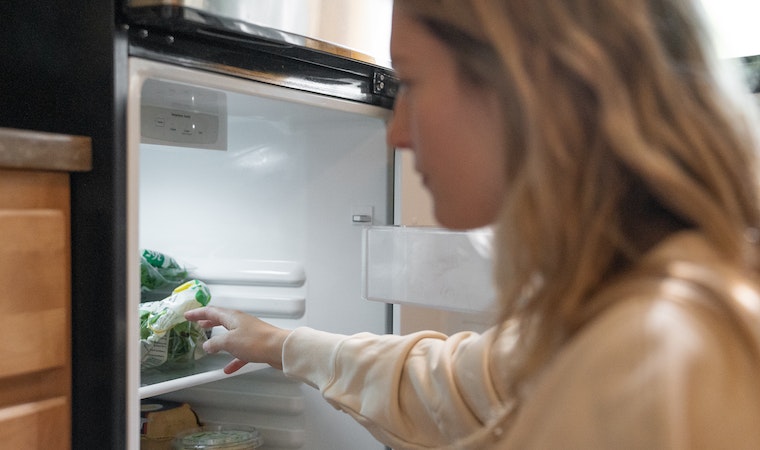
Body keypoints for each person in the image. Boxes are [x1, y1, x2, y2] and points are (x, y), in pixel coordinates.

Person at [186, 0, 760, 448]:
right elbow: (461, 386)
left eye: (411, 81)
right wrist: (282, 343)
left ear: (525, 87)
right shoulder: (628, 304)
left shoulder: (653, 350)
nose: (395, 133)